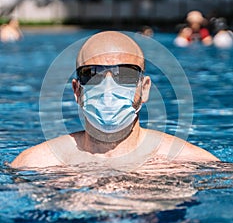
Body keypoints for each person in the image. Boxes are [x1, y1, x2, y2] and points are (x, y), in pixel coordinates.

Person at [12, 31, 218, 169]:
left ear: (144, 89)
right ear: (77, 90)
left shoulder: (190, 163)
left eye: (126, 75)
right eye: (92, 74)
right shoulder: (35, 164)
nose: (108, 88)